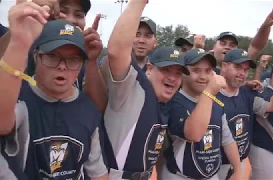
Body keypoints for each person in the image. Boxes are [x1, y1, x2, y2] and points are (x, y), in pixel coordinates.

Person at [0, 2, 108, 179]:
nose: (62, 67)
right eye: (52, 56)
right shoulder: (19, 96)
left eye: (73, 60)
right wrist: (19, 40)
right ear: (36, 55)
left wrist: (91, 61)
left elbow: (97, 170)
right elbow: (3, 122)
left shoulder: (87, 108)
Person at [103, 0, 190, 178]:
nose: (172, 78)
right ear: (150, 69)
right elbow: (116, 51)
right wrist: (138, 3)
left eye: (178, 73)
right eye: (166, 70)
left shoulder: (167, 100)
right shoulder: (132, 86)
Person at [160, 48, 242, 180]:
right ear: (184, 73)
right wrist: (209, 92)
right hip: (179, 175)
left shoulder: (215, 101)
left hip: (211, 175)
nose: (203, 77)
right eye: (196, 70)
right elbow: (194, 134)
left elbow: (227, 138)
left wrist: (238, 170)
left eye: (208, 71)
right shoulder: (175, 101)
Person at [215, 48, 273, 180]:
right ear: (224, 66)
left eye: (246, 70)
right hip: (213, 163)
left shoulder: (248, 94)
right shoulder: (211, 93)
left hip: (239, 161)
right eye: (237, 67)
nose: (242, 73)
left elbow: (272, 106)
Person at [210, 8, 273, 74]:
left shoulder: (241, 71)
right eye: (223, 43)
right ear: (214, 47)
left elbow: (255, 47)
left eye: (232, 45)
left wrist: (266, 26)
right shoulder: (204, 70)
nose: (227, 47)